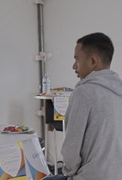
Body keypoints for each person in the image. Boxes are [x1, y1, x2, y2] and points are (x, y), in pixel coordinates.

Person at [44, 32, 122, 180]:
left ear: (93, 61)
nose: (74, 66)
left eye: (76, 59)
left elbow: (71, 151)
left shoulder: (83, 92)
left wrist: (69, 172)